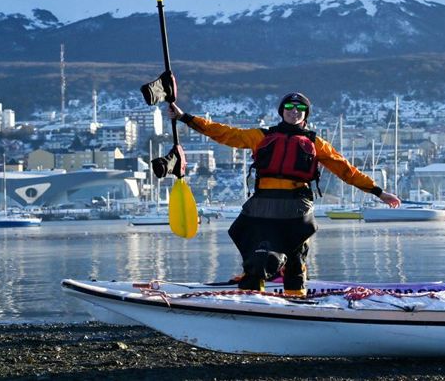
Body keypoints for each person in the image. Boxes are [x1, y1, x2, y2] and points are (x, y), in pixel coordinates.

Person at [167, 92, 400, 296]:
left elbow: (346, 170)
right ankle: (253, 293)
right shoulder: (261, 136)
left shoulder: (316, 143)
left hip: (296, 206)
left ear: (305, 114)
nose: (294, 112)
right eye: (289, 107)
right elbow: (224, 134)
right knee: (254, 247)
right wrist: (185, 117)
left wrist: (378, 193)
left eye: (300, 109)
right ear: (282, 112)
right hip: (263, 205)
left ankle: (295, 297)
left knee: (296, 256)